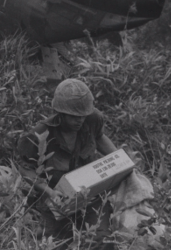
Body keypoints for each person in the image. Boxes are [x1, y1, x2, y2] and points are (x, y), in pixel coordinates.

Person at [17, 78, 118, 247]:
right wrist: (49, 192)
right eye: (73, 117)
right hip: (57, 198)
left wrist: (119, 160)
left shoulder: (92, 120)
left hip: (90, 193)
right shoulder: (39, 134)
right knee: (55, 244)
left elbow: (99, 137)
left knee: (100, 240)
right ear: (61, 114)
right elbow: (26, 169)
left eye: (82, 116)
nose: (79, 121)